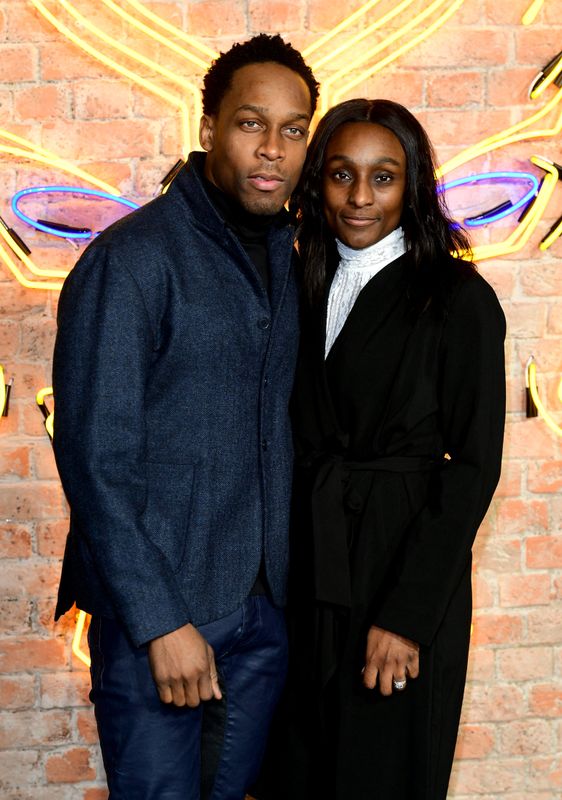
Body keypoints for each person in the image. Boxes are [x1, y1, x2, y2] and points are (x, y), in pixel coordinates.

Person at [51, 34, 319, 800]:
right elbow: (95, 458)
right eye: (250, 123)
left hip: (260, 620)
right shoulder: (133, 261)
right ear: (207, 129)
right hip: (160, 625)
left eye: (294, 129)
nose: (273, 149)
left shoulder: (287, 254)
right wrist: (162, 623)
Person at [256, 99, 506, 800]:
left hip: (401, 566)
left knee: (383, 776)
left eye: (383, 176)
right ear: (317, 182)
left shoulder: (458, 300)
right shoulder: (297, 286)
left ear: (413, 184)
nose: (360, 196)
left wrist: (406, 616)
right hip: (308, 568)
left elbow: (474, 469)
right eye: (341, 174)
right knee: (297, 774)